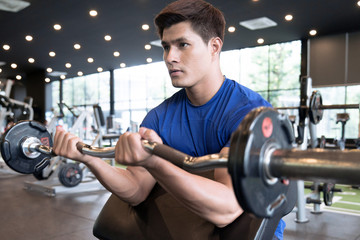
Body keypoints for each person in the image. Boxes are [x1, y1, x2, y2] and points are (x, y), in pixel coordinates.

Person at [53, 0, 285, 239]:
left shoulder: (249, 112)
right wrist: (88, 158)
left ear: (214, 47)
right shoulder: (159, 116)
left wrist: (155, 161)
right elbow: (136, 189)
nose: (170, 57)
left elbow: (226, 209)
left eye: (183, 44)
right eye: (166, 47)